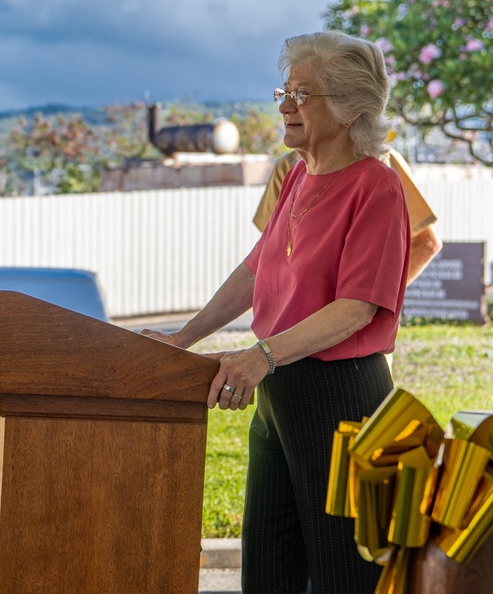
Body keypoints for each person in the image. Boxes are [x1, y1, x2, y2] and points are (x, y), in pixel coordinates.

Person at [143, 31, 410, 593]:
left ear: (350, 109)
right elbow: (254, 269)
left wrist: (260, 354)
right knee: (267, 570)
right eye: (284, 92)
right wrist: (182, 339)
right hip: (279, 389)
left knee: (345, 575)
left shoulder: (377, 187)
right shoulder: (294, 176)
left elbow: (356, 309)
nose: (285, 106)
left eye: (302, 95)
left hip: (341, 394)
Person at [254, 145, 442, 285]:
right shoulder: (288, 167)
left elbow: (426, 243)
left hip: (354, 326)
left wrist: (369, 305)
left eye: (303, 96)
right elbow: (272, 256)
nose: (286, 108)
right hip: (301, 325)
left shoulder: (383, 161)